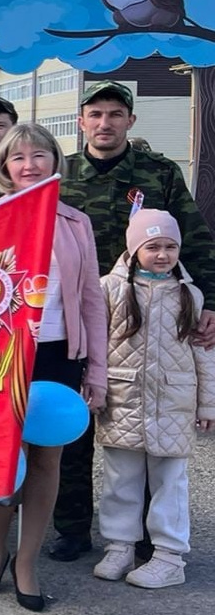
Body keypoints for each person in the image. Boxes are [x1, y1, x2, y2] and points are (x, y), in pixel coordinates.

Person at [54, 81, 215, 563]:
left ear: (130, 121)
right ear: (81, 121)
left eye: (115, 114)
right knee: (75, 425)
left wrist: (210, 300)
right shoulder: (61, 174)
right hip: (74, 315)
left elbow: (196, 236)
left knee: (139, 430)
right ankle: (72, 528)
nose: (105, 123)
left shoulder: (158, 173)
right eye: (95, 114)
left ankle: (142, 536)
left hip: (145, 316)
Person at [0, 122, 107, 609]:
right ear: (3, 166)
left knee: (47, 458)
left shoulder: (75, 222)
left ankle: (26, 561)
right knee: (2, 454)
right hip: (4, 354)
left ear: (55, 161)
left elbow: (92, 299)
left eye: (39, 155)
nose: (29, 165)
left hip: (57, 353)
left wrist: (96, 370)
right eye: (18, 157)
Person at [93, 209, 215, 590]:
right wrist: (94, 386)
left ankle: (169, 555)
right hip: (123, 399)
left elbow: (203, 354)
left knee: (170, 482)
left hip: (173, 403)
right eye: (153, 246)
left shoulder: (189, 294)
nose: (162, 254)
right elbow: (97, 343)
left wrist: (208, 405)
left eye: (170, 247)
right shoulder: (109, 289)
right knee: (120, 479)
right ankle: (119, 545)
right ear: (134, 249)